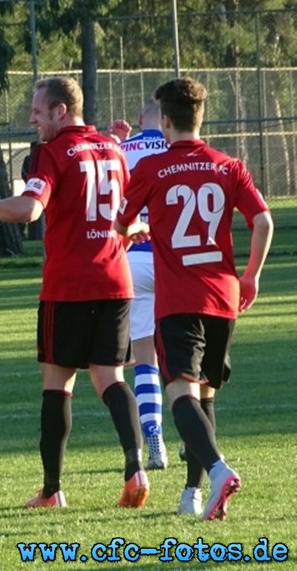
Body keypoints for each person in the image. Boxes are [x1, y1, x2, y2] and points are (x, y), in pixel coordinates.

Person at [0, 77, 149, 510]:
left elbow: (29, 209)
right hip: (115, 281)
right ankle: (136, 468)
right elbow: (126, 217)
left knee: (58, 383)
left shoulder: (52, 153)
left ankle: (52, 490)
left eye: (37, 111)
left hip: (69, 284)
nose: (32, 119)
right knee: (111, 378)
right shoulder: (113, 149)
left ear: (60, 110)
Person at [115, 77, 273, 520]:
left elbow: (119, 226)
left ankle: (219, 470)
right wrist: (251, 276)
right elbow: (262, 223)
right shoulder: (229, 166)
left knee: (179, 394)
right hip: (224, 295)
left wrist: (137, 230)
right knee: (204, 396)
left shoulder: (151, 168)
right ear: (200, 118)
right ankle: (192, 495)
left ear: (165, 120)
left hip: (180, 297)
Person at [117, 98, 171, 470]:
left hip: (133, 257)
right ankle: (198, 431)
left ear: (140, 119)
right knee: (186, 353)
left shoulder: (121, 151)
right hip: (173, 261)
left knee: (144, 356)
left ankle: (154, 434)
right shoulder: (178, 148)